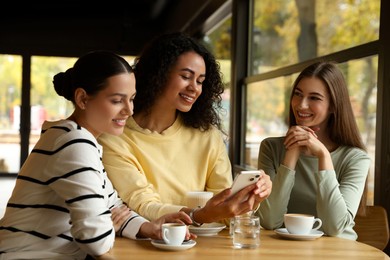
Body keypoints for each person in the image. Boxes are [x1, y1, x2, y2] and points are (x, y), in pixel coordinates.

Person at [0, 51, 195, 260]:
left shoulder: (79, 140)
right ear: (83, 98)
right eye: (117, 101)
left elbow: (114, 206)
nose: (129, 110)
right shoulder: (73, 144)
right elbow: (96, 240)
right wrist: (108, 223)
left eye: (132, 99)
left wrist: (148, 227)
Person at [98, 32, 272, 226]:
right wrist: (200, 215)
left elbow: (224, 208)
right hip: (145, 245)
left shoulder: (208, 136)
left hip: (202, 246)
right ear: (159, 73)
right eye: (186, 76)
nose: (194, 88)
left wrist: (251, 195)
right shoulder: (114, 137)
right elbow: (143, 205)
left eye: (200, 81)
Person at [256, 61, 370, 240]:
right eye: (298, 94)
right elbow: (269, 221)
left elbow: (334, 227)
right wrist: (291, 155)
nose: (301, 105)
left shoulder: (356, 158)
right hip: (284, 252)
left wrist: (323, 155)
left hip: (338, 253)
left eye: (314, 98)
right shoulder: (271, 148)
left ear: (333, 105)